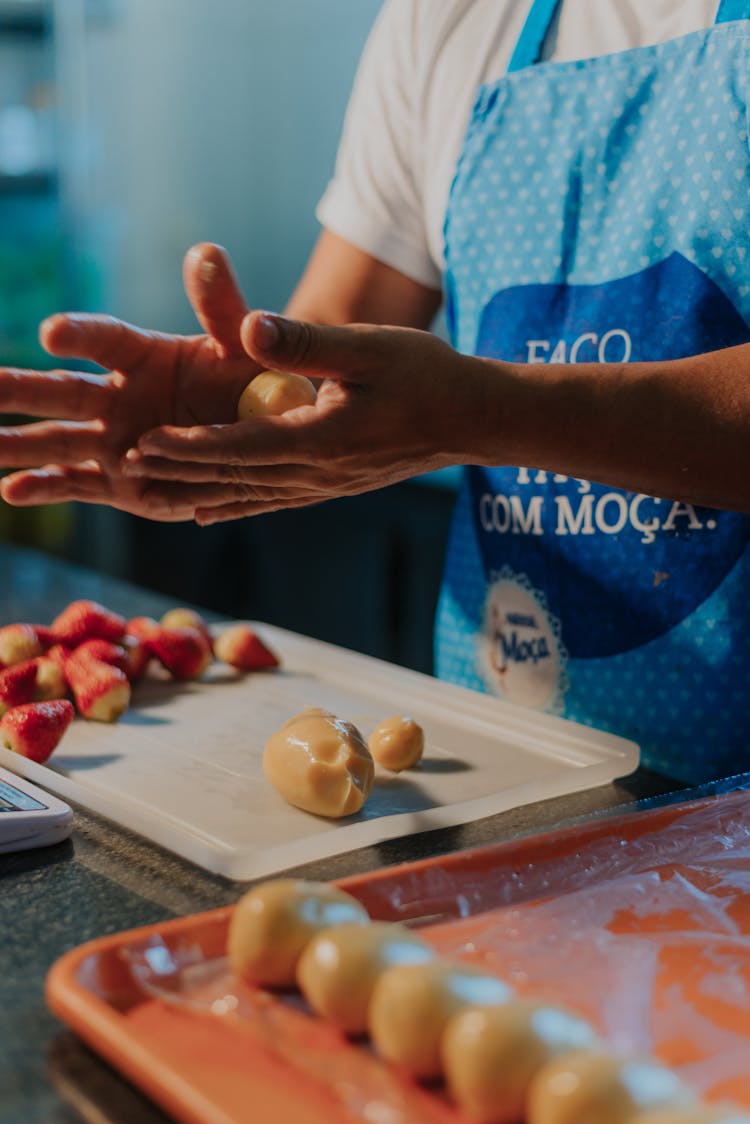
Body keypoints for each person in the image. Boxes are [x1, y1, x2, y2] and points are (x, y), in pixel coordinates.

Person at [0, 0, 749, 782]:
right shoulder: (448, 17)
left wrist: (478, 414)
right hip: (515, 758)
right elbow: (338, 323)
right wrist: (237, 413)